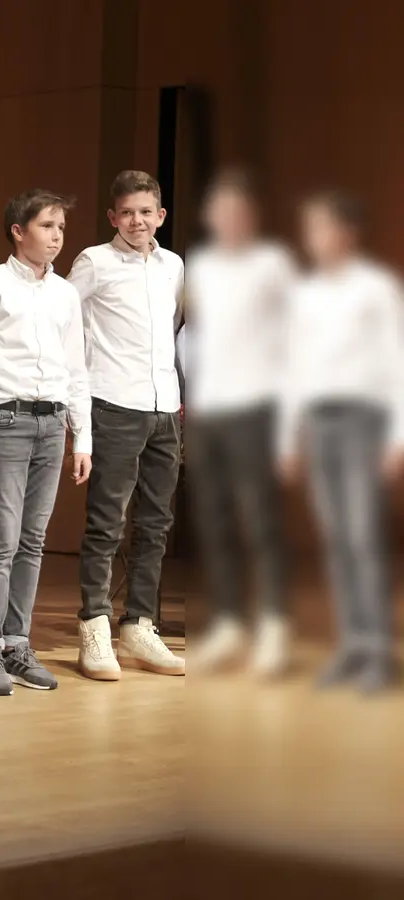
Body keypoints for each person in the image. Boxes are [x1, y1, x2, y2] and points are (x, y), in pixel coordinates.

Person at [0, 189, 91, 696]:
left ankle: (17, 643)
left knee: (33, 541)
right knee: (2, 541)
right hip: (4, 422)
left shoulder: (65, 294)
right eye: (47, 225)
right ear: (18, 230)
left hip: (53, 423)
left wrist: (83, 438)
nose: (57, 236)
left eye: (60, 227)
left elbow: (77, 369)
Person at [280, 190, 404, 692]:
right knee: (335, 540)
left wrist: (397, 436)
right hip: (320, 424)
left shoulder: (375, 288)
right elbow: (295, 368)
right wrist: (289, 439)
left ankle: (376, 649)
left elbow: (397, 362)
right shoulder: (306, 294)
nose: (312, 237)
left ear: (346, 233)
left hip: (363, 422)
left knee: (361, 537)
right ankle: (352, 646)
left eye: (321, 227)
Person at [68, 170, 187, 681]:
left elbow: (175, 327)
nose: (137, 221)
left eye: (147, 211)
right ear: (112, 217)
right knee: (106, 522)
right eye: (127, 212)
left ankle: (139, 623)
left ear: (160, 215)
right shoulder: (95, 262)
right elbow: (61, 318)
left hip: (166, 407)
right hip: (113, 403)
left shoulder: (174, 265)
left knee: (156, 523)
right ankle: (94, 625)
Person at [183, 170, 296, 674]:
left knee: (259, 520)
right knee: (213, 519)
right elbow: (193, 335)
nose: (230, 220)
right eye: (221, 210)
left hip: (256, 408)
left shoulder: (274, 265)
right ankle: (229, 620)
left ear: (252, 217)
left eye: (239, 211)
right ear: (211, 217)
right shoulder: (201, 267)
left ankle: (274, 623)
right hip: (209, 411)